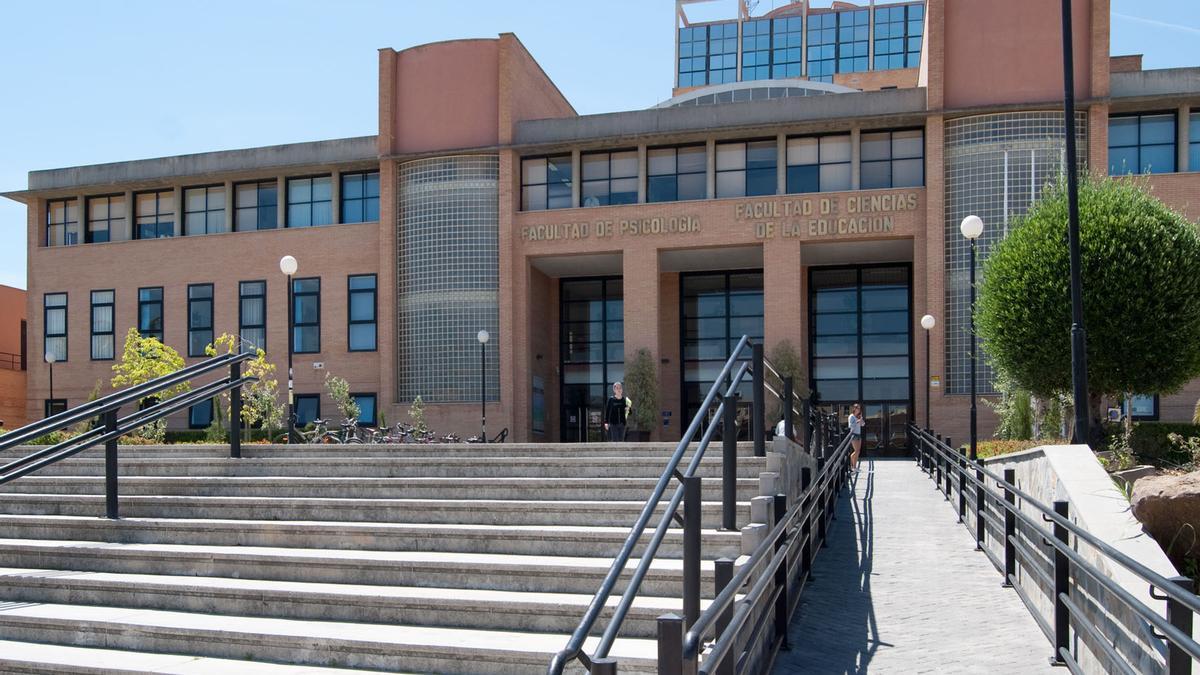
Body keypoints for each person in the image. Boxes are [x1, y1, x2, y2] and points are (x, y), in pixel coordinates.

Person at [847, 403, 864, 469]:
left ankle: (854, 466)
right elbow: (850, 426)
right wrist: (857, 421)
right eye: (857, 408)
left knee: (858, 451)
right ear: (854, 409)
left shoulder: (858, 416)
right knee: (856, 451)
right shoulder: (851, 416)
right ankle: (852, 464)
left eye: (859, 408)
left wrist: (861, 420)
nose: (859, 409)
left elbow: (863, 425)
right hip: (854, 434)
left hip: (858, 434)